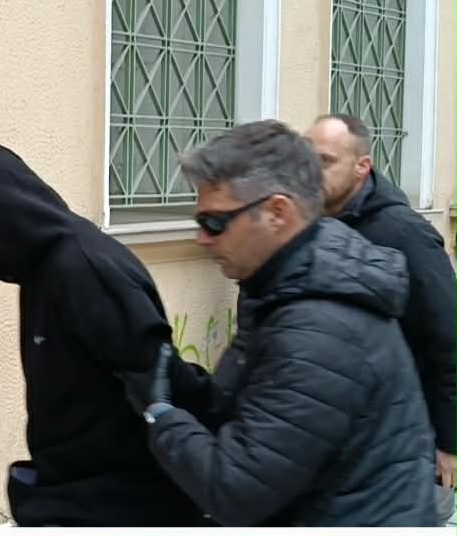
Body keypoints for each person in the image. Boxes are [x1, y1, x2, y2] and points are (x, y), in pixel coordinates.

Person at [120, 120, 436, 526]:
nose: (203, 238)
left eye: (215, 223)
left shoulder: (319, 331)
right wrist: (181, 384)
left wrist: (161, 415)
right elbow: (255, 409)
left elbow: (235, 490)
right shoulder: (284, 286)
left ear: (277, 213)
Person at [0, 139, 201, 526]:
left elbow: (157, 372)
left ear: (2, 220)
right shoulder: (43, 267)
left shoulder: (84, 269)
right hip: (70, 483)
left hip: (115, 496)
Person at [305, 114, 457, 526]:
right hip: (342, 445)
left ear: (362, 166)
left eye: (325, 161)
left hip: (410, 447)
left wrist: (449, 442)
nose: (311, 171)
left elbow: (448, 337)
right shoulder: (306, 224)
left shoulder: (404, 234)